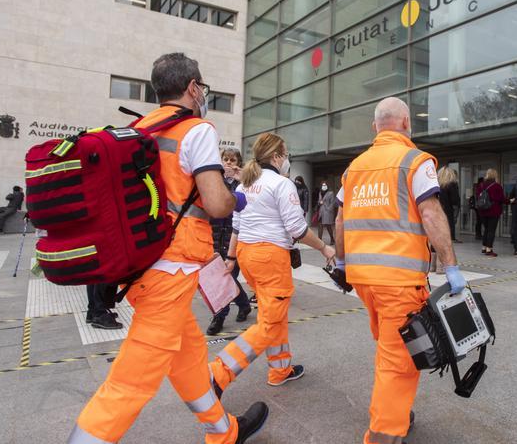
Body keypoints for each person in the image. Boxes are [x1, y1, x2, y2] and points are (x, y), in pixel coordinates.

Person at [67, 53, 267, 444]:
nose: (203, 94)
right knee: (131, 381)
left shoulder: (137, 130)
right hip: (172, 267)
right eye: (203, 87)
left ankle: (223, 431)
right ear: (193, 87)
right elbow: (214, 202)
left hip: (139, 263)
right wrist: (234, 198)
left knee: (189, 356)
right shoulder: (196, 130)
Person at [333, 97, 467, 444]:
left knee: (390, 349)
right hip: (399, 282)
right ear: (407, 124)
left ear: (375, 127)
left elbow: (339, 218)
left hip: (364, 281)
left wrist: (343, 263)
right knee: (401, 361)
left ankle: (391, 411)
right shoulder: (415, 161)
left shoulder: (355, 167)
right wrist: (451, 266)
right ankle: (382, 433)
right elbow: (432, 214)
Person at [209, 133, 336, 393]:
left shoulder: (245, 184)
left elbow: (237, 227)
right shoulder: (281, 184)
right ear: (277, 156)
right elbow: (297, 229)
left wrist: (232, 258)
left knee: (273, 315)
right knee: (268, 323)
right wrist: (324, 247)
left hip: (247, 254)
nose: (287, 159)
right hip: (270, 258)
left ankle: (280, 369)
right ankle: (217, 373)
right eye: (286, 154)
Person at [206, 148, 252, 336]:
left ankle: (220, 317)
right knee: (225, 279)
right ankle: (244, 305)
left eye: (233, 160)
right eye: (225, 159)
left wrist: (241, 180)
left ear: (238, 162)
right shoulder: (214, 181)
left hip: (236, 240)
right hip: (216, 238)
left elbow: (247, 206)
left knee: (227, 279)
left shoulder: (244, 184)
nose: (229, 163)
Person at [477, 169, 504, 257]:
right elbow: (501, 199)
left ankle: (484, 247)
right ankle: (489, 249)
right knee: (491, 231)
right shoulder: (497, 186)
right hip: (493, 211)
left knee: (486, 230)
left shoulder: (481, 185)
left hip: (482, 211)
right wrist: (510, 201)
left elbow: (478, 197)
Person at [438, 166, 462, 243]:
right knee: (450, 223)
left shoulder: (437, 185)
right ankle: (451, 238)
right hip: (449, 209)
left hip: (438, 208)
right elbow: (454, 199)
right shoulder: (451, 184)